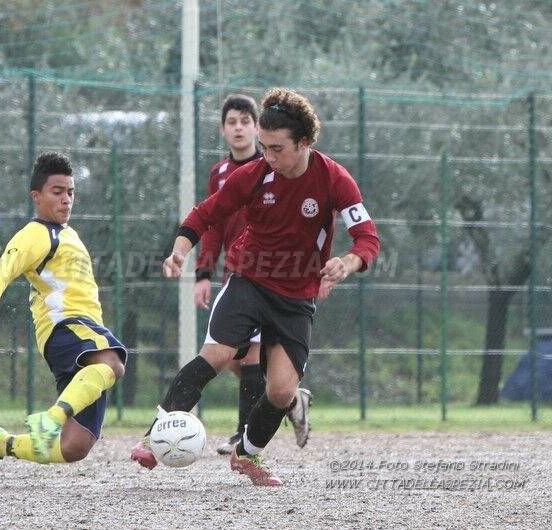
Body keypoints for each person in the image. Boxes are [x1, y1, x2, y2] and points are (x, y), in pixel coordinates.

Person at [131, 88, 380, 486]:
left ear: (303, 143)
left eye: (277, 148)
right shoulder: (254, 174)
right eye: (263, 147)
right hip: (248, 279)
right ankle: (154, 433)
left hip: (297, 297)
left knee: (282, 391)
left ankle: (248, 455)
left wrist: (348, 262)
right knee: (217, 354)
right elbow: (204, 214)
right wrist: (180, 251)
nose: (268, 156)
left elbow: (368, 237)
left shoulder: (334, 178)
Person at [0, 152, 127, 486]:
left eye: (71, 192)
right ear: (36, 196)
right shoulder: (35, 234)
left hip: (84, 331)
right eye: (57, 191)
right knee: (113, 362)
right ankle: (51, 417)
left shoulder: (69, 235)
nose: (66, 199)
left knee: (74, 446)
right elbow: (2, 271)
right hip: (65, 327)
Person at [195, 94, 311, 455]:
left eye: (246, 121)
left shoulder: (276, 166)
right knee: (229, 356)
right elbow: (212, 223)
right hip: (236, 273)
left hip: (270, 278)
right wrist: (203, 272)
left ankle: (243, 436)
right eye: (232, 122)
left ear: (257, 128)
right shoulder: (220, 174)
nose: (239, 128)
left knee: (248, 358)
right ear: (223, 129)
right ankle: (291, 400)